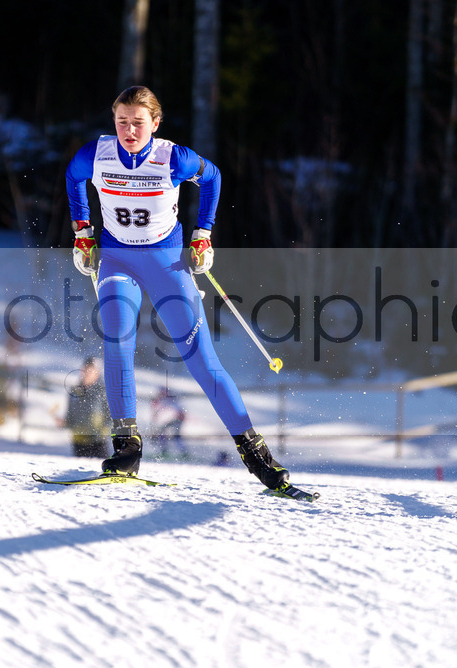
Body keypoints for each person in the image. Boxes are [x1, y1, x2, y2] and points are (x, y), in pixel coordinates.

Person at [64, 85, 293, 491]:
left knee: (200, 360)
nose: (129, 130)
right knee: (116, 338)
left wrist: (204, 233)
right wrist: (83, 229)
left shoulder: (173, 157)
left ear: (155, 123)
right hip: (118, 260)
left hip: (167, 264)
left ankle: (255, 453)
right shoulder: (96, 155)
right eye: (122, 122)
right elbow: (74, 175)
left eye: (138, 122)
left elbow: (213, 177)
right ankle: (126, 448)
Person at [63, 357, 111, 459]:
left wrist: (103, 430)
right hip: (78, 439)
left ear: (97, 373)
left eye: (91, 370)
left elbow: (110, 416)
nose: (87, 373)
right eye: (86, 370)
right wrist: (65, 422)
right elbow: (70, 415)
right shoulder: (75, 391)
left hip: (97, 441)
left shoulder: (103, 392)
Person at [150, 387, 189, 459]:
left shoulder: (171, 400)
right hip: (169, 420)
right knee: (163, 434)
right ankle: (165, 451)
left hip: (176, 420)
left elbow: (180, 412)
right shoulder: (162, 401)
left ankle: (183, 452)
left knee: (175, 436)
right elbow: (156, 413)